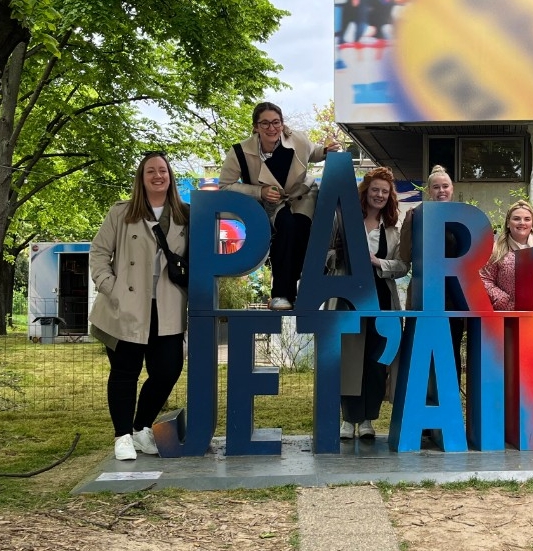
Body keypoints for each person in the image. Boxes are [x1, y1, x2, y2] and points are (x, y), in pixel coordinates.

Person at [89, 151, 189, 461]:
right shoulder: (121, 213)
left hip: (168, 306)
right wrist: (112, 288)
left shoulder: (185, 215)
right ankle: (122, 436)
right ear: (141, 178)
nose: (158, 176)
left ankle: (141, 427)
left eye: (163, 170)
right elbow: (98, 253)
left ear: (170, 176)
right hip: (127, 306)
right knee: (124, 372)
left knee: (168, 369)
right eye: (151, 171)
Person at [218, 102, 340, 310]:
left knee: (303, 227)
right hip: (272, 204)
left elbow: (314, 152)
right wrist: (259, 192)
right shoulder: (239, 152)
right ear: (255, 127)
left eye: (276, 122)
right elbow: (225, 185)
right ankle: (282, 293)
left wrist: (328, 150)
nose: (271, 128)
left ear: (282, 124)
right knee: (286, 227)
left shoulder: (298, 139)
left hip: (302, 194)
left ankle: (303, 287)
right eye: (264, 123)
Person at [327, 167, 409, 440]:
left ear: (390, 197)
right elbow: (327, 253)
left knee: (376, 363)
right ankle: (348, 420)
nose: (379, 195)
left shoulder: (393, 233)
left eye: (385, 192)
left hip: (381, 302)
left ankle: (368, 421)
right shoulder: (345, 221)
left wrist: (378, 262)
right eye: (375, 189)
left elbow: (401, 267)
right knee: (349, 360)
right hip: (348, 301)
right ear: (366, 191)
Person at [399, 165, 465, 386]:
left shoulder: (462, 218)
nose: (441, 191)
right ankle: (424, 402)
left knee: (452, 347)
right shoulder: (416, 215)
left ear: (452, 188)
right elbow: (405, 254)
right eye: (436, 187)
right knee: (421, 349)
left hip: (453, 298)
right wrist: (409, 224)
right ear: (428, 191)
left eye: (445, 186)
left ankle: (450, 403)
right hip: (424, 295)